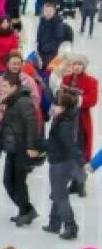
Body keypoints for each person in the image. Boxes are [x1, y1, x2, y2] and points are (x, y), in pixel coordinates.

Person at [0, 77, 41, 225]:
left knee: (18, 182)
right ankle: (26, 210)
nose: (1, 89)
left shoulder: (23, 102)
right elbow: (3, 123)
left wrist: (30, 146)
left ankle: (26, 211)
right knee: (9, 182)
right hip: (12, 147)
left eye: (5, 86)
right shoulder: (12, 101)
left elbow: (31, 124)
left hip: (21, 149)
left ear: (14, 87)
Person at [44, 85, 82, 240]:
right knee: (57, 193)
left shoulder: (64, 122)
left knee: (60, 195)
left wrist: (80, 161)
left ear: (63, 106)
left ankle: (71, 226)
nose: (53, 106)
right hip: (59, 160)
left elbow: (67, 145)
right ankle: (54, 223)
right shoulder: (63, 118)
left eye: (57, 104)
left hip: (61, 162)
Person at [37, 1, 65, 66]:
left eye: (50, 11)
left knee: (49, 69)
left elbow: (58, 38)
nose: (48, 13)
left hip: (51, 52)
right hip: (41, 50)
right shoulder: (42, 20)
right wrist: (38, 44)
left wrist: (47, 48)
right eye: (46, 11)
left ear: (54, 11)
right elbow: (39, 33)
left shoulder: (58, 23)